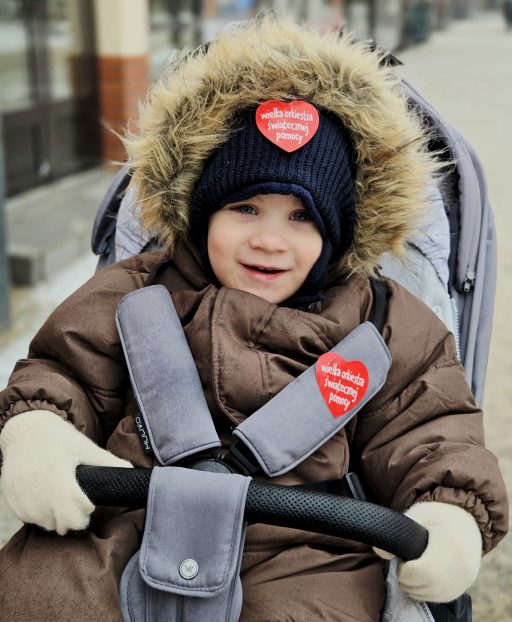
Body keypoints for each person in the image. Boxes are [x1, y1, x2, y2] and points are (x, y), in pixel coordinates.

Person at [0, 16, 508, 622]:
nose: (269, 240)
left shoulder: (384, 325)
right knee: (40, 592)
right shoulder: (137, 291)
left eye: (301, 217)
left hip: (305, 544)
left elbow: (430, 428)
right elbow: (65, 371)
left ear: (338, 231)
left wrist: (449, 511)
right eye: (245, 207)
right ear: (203, 210)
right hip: (133, 516)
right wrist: (39, 428)